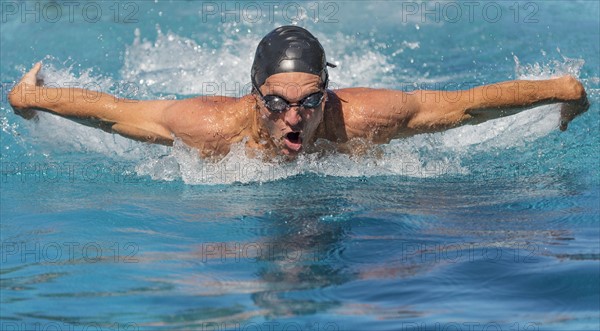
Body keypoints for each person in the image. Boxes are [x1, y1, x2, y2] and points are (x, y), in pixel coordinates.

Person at [8, 26, 589, 160]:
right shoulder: (212, 126)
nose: (294, 118)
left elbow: (464, 103)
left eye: (310, 102)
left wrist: (562, 90)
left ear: (327, 96)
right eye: (277, 102)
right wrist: (31, 99)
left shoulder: (360, 118)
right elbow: (115, 114)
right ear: (253, 95)